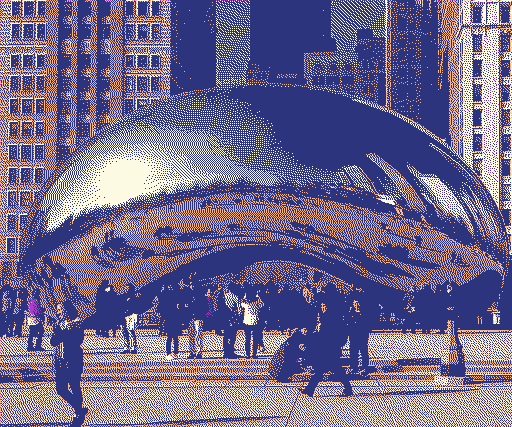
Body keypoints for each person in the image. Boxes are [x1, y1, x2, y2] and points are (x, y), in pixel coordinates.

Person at [50, 301, 88, 426]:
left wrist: (65, 330)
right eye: (57, 310)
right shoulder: (59, 325)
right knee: (61, 389)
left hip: (73, 360)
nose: (57, 312)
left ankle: (78, 412)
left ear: (66, 311)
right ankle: (79, 408)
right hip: (60, 360)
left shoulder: (77, 323)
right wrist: (60, 329)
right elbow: (53, 341)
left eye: (60, 310)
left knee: (75, 386)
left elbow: (78, 340)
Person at [240, 283, 264, 359]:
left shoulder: (245, 302)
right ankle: (254, 354)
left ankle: (247, 354)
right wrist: (257, 296)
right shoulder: (257, 300)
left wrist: (244, 296)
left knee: (247, 339)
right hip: (255, 321)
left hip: (246, 321)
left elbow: (241, 307)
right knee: (255, 339)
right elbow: (262, 306)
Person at [120, 284, 138, 354]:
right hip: (125, 316)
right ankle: (127, 347)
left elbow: (133, 308)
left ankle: (133, 347)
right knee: (125, 332)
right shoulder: (125, 297)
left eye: (126, 288)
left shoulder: (133, 297)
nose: (125, 290)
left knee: (130, 331)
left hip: (131, 316)